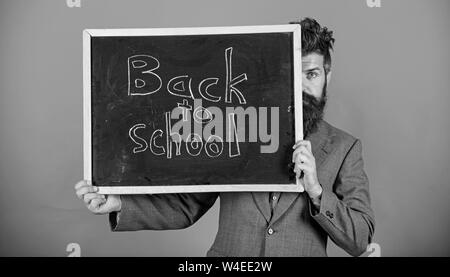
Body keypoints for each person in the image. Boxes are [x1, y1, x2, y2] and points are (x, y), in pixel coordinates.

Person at [75, 18, 375, 257]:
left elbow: (360, 239)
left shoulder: (344, 148)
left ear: (327, 76)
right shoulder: (235, 128)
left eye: (312, 75)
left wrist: (317, 191)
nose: (301, 88)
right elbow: (186, 208)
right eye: (293, 75)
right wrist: (116, 203)